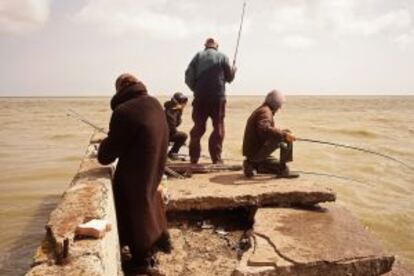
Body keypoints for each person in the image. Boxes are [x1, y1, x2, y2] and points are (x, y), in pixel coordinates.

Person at [97, 73, 171, 273]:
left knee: (128, 201)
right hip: (154, 166)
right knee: (148, 200)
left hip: (136, 174)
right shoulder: (154, 103)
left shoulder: (123, 111)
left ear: (119, 90)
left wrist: (105, 142)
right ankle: (156, 244)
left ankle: (141, 262)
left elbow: (105, 156)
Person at [185, 38, 236, 164]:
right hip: (218, 97)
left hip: (200, 98)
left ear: (205, 46)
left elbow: (188, 76)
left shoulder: (198, 56)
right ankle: (216, 159)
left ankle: (194, 158)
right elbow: (229, 78)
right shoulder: (223, 56)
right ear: (216, 46)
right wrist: (234, 70)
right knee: (218, 126)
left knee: (198, 128)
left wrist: (196, 89)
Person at [242, 90, 299, 178]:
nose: (280, 108)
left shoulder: (262, 109)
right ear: (275, 104)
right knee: (286, 133)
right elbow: (264, 129)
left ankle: (251, 165)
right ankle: (282, 170)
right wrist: (285, 135)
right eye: (280, 105)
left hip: (252, 153)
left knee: (275, 166)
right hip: (255, 153)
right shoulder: (265, 112)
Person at [164, 92, 188, 160]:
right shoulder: (170, 111)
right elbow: (172, 128)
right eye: (182, 102)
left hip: (166, 133)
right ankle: (172, 154)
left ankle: (172, 153)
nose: (184, 104)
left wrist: (180, 111)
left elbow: (175, 124)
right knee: (183, 136)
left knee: (181, 136)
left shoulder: (175, 110)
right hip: (163, 135)